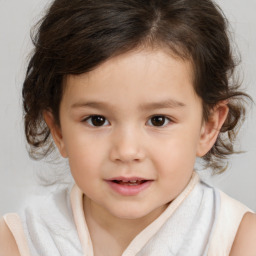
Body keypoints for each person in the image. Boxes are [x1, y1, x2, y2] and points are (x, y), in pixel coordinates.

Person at [0, 0, 256, 255]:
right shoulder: (20, 240)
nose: (126, 150)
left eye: (158, 120)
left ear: (208, 127)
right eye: (97, 120)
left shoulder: (236, 239)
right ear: (58, 130)